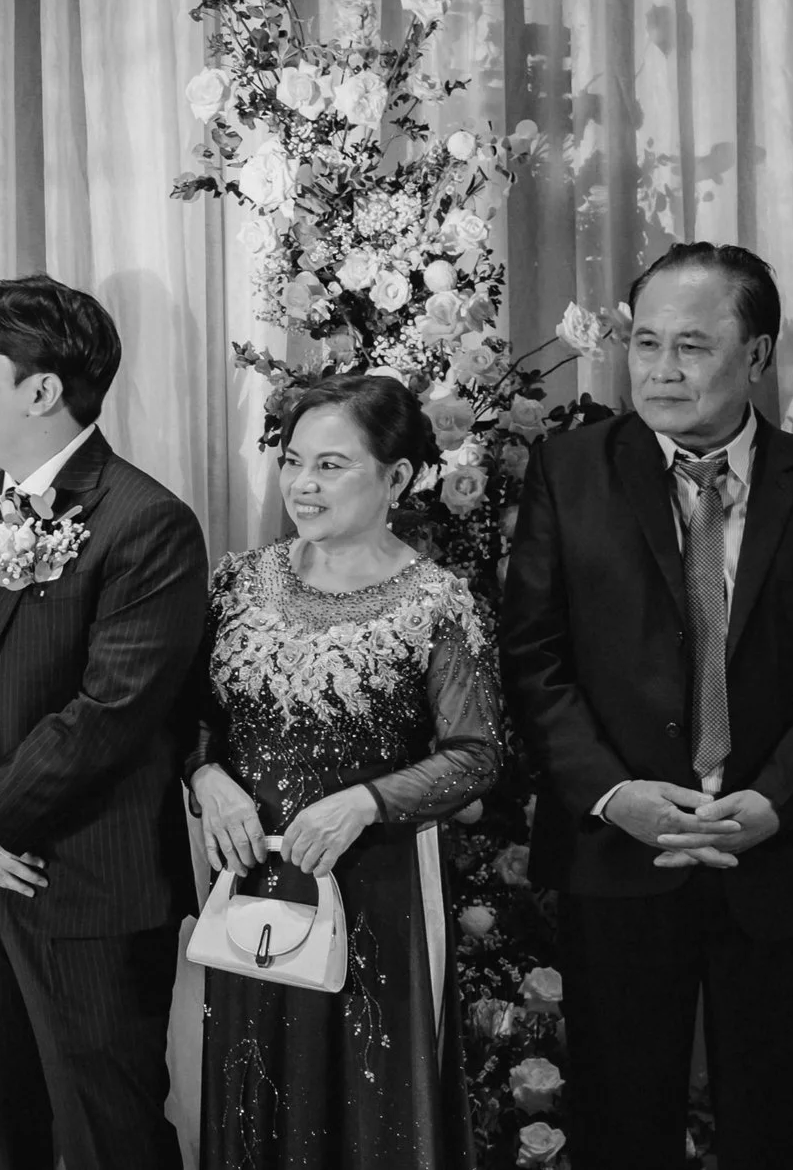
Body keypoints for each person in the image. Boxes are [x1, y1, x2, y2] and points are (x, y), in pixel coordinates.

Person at [502, 242, 793, 1170]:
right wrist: (614, 795)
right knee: (618, 1124)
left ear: (756, 355)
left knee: (781, 1127)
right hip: (619, 852)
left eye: (692, 345)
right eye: (645, 343)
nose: (661, 369)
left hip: (778, 852)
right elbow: (533, 656)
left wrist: (773, 800)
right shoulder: (569, 470)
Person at [0, 274, 207, 1170]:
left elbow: (110, 712)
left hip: (82, 885)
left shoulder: (148, 523)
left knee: (111, 1137)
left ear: (39, 391)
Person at [186, 376, 500, 1169]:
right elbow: (187, 717)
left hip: (376, 889)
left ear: (398, 477)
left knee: (369, 1107)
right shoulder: (239, 581)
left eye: (331, 465)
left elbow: (476, 754)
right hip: (252, 882)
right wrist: (205, 776)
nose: (303, 484)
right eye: (293, 461)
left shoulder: (438, 602)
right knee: (256, 1092)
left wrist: (364, 801)